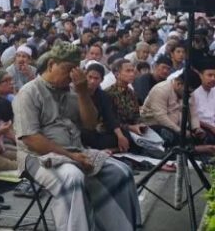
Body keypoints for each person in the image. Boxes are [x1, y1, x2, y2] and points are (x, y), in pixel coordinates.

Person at [13, 41, 140, 231]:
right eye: (67, 70)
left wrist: (82, 93)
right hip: (37, 158)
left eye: (75, 70)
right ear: (51, 65)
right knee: (72, 177)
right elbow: (31, 139)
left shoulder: (73, 91)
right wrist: (70, 156)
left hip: (76, 150)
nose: (71, 76)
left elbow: (90, 124)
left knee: (121, 172)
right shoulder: (29, 93)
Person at [192, 57, 215, 143]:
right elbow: (191, 118)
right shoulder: (194, 92)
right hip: (200, 128)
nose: (213, 79)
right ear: (201, 76)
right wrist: (210, 127)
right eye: (209, 75)